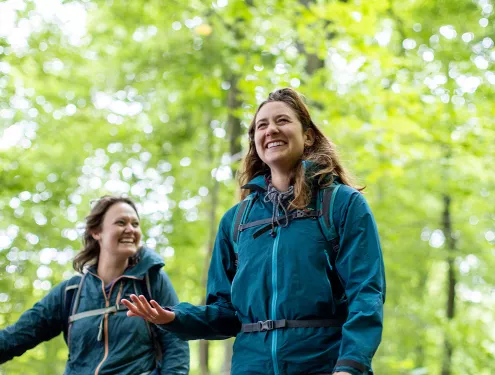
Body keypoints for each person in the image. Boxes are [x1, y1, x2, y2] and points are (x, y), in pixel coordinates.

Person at [123, 88, 385, 375]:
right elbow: (225, 313)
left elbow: (366, 294)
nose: (271, 130)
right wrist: (174, 317)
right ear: (256, 142)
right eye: (262, 125)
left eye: (282, 121)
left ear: (308, 136)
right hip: (250, 366)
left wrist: (350, 365)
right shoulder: (236, 221)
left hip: (323, 364)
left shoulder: (342, 204)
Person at [0, 195, 190, 375]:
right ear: (96, 231)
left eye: (135, 224)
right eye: (121, 222)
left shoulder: (151, 282)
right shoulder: (70, 293)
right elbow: (17, 336)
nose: (130, 229)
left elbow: (176, 347)